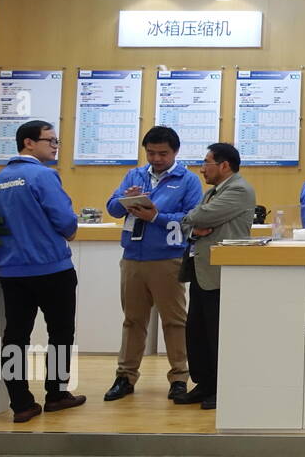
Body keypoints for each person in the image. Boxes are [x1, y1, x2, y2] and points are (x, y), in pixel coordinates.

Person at [0, 120, 86, 423]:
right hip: (51, 268)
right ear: (28, 143)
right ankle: (55, 394)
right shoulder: (43, 176)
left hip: (12, 271)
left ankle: (21, 404)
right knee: (60, 333)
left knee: (15, 336)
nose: (55, 146)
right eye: (50, 140)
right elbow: (66, 221)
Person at [102, 126, 203, 403]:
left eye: (163, 153)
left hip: (168, 259)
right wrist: (126, 201)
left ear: (175, 152)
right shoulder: (134, 174)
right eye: (151, 153)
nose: (156, 159)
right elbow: (112, 207)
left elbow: (191, 218)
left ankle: (180, 378)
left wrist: (155, 216)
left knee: (174, 321)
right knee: (133, 321)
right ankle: (125, 376)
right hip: (133, 257)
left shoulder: (188, 180)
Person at [174, 143, 256, 410]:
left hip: (222, 274)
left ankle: (222, 387)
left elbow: (199, 215)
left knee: (217, 334)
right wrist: (194, 228)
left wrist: (193, 222)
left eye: (207, 162)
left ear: (224, 165)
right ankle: (204, 383)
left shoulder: (239, 190)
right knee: (196, 331)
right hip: (202, 270)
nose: (201, 168)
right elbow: (190, 222)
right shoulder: (212, 192)